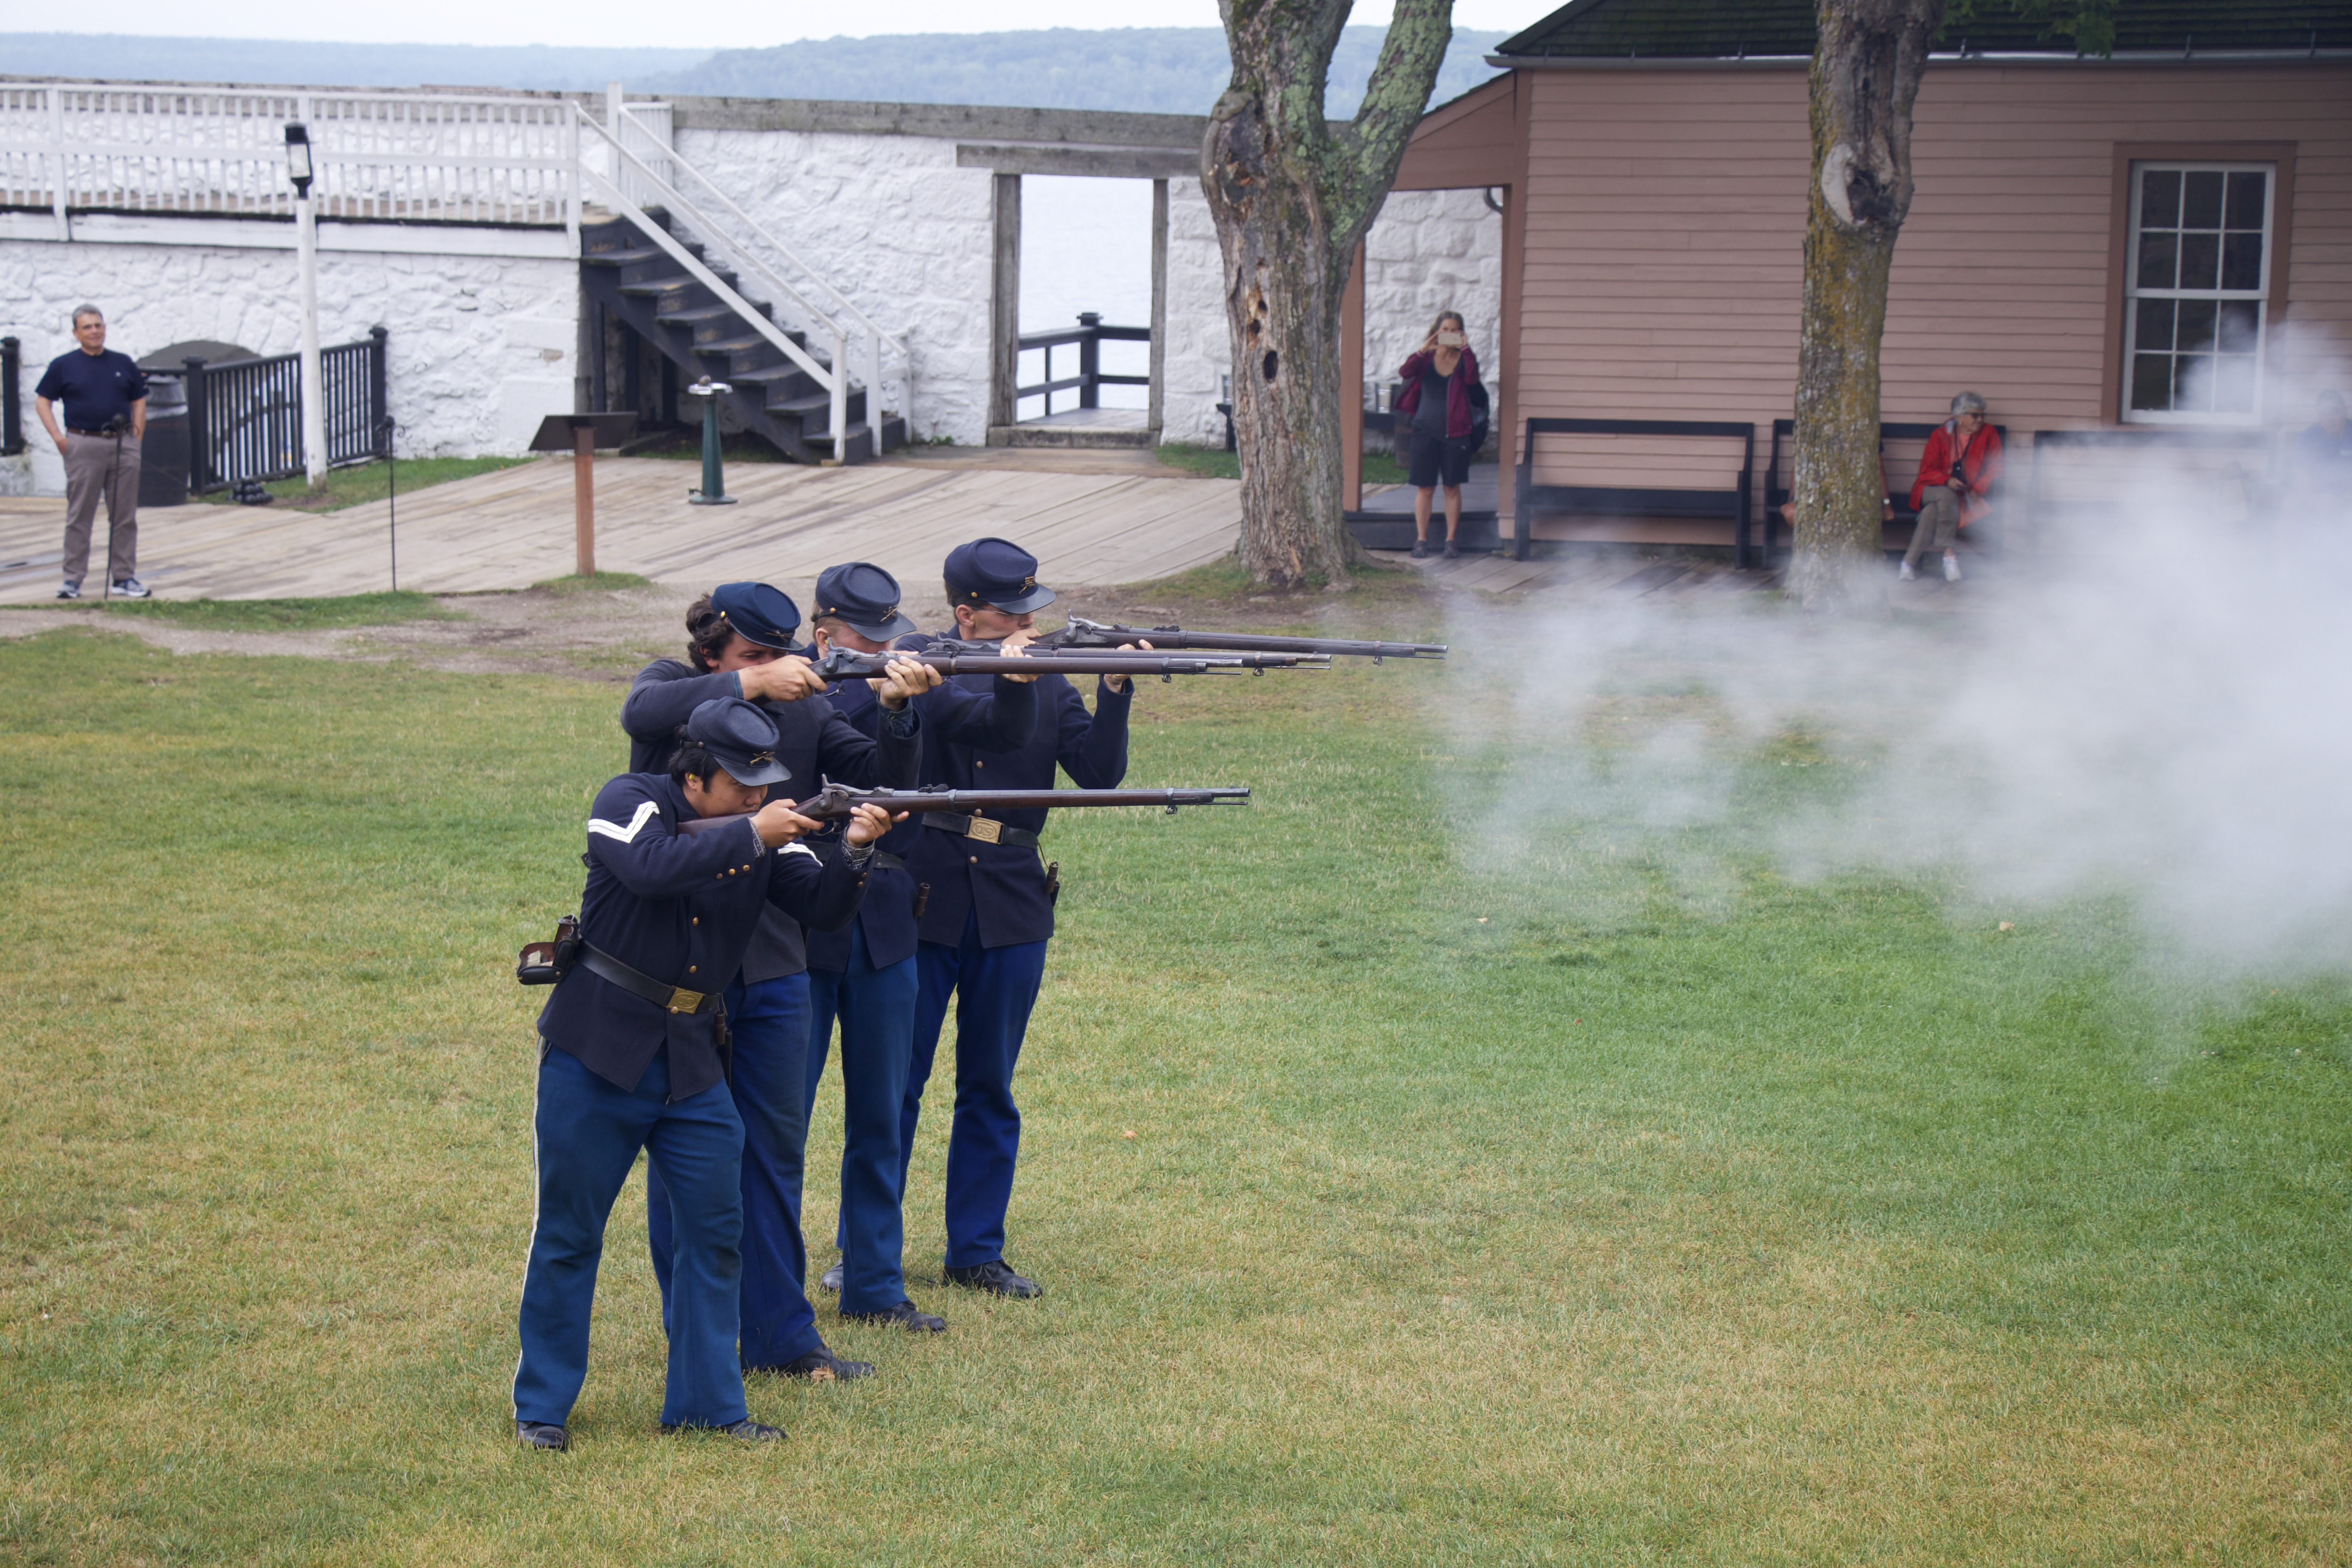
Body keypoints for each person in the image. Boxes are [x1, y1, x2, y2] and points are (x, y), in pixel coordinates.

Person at [512, 696, 895, 1452]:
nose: (758, 795)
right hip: (600, 1048)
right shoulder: (629, 802)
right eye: (741, 782)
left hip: (692, 1058)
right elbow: (650, 869)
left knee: (716, 1236)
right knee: (568, 1233)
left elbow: (820, 909)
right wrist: (753, 833)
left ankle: (708, 1404)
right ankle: (542, 1406)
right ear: (694, 775)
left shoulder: (761, 827)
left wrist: (853, 850)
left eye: (764, 783)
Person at [619, 582, 939, 1384]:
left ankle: (781, 1335)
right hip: (688, 967)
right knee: (685, 1158)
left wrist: (900, 712)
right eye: (753, 656)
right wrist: (751, 684)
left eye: (777, 654)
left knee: (774, 1153)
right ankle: (692, 1326)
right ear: (712, 654)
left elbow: (878, 776)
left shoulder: (807, 710)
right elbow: (642, 714)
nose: (774, 669)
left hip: (777, 960)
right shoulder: (672, 691)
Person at [895, 537, 1143, 1299]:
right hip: (928, 892)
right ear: (966, 614)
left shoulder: (1048, 680)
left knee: (990, 1085)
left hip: (1012, 895)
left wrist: (1115, 691)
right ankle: (866, 1248)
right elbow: (977, 720)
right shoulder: (918, 665)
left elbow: (1098, 774)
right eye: (1012, 614)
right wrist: (1013, 676)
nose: (1030, 626)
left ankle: (976, 1249)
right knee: (896, 1083)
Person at [801, 561, 1040, 1331]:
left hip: (888, 914)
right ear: (823, 635)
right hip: (801, 915)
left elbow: (998, 732)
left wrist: (998, 684)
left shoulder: (906, 681)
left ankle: (882, 1271)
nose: (880, 645)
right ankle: (806, 1272)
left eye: (886, 633)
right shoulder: (794, 694)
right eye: (862, 638)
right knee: (800, 1116)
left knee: (884, 1104)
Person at [33, 304, 151, 601]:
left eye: (98, 325)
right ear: (76, 333)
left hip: (123, 445)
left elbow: (138, 402)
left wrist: (136, 440)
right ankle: (72, 580)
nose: (95, 331)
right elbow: (42, 401)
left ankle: (124, 577)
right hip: (83, 445)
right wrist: (60, 439)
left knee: (124, 516)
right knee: (80, 516)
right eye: (87, 327)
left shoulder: (123, 363)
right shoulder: (64, 366)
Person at [1394, 310, 1488, 561]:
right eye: (1444, 329)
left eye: (1454, 330)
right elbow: (1405, 372)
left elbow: (1472, 379)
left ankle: (1451, 541)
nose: (1448, 334)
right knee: (1425, 488)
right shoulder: (1426, 359)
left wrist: (1466, 350)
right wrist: (1424, 348)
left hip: (1456, 433)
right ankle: (1421, 540)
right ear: (1437, 331)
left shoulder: (1464, 359)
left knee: (1451, 488)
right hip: (1425, 430)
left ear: (1461, 333)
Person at [1904, 391, 2003, 583]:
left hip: (1959, 495)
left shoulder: (1989, 433)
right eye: (1975, 415)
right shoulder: (1941, 435)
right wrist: (1946, 480)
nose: (1980, 419)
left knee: (1930, 514)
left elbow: (1997, 466)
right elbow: (1926, 471)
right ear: (1959, 417)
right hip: (1930, 489)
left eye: (1983, 415)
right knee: (1946, 495)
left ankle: (1908, 564)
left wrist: (1978, 489)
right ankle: (1949, 555)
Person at [2289, 390, 2350, 509]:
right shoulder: (2308, 438)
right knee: (2289, 505)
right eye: (2324, 413)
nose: (2330, 419)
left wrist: (2343, 499)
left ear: (2345, 411)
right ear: (2318, 414)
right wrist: (2313, 501)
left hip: (2348, 498)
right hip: (2316, 498)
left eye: (2335, 413)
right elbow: (2299, 480)